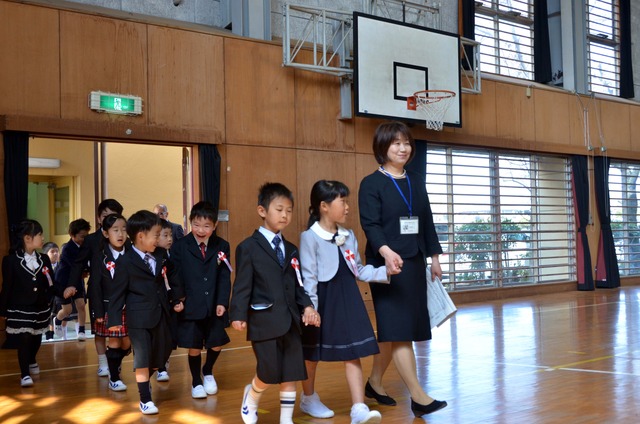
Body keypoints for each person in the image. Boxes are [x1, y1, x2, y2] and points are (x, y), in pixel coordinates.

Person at [358, 121, 447, 417]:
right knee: (401, 330)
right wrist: (385, 252)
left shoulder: (416, 179)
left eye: (406, 142)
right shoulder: (371, 183)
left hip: (413, 261)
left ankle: (374, 382)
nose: (402, 148)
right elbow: (370, 224)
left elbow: (427, 221)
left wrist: (434, 257)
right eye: (395, 143)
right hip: (386, 266)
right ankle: (419, 397)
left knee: (393, 330)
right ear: (382, 147)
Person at [230, 182, 320, 424]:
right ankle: (252, 398)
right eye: (279, 209)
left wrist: (308, 306)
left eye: (289, 210)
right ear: (262, 211)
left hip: (290, 320)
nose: (285, 215)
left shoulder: (291, 249)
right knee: (268, 372)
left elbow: (298, 284)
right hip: (263, 320)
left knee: (291, 370)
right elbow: (242, 284)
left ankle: (286, 419)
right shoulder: (247, 248)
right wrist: (237, 314)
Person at [299, 180, 387, 424]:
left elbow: (358, 270)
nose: (348, 207)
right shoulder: (309, 237)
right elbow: (309, 277)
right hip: (323, 300)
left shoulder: (348, 236)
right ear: (324, 206)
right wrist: (311, 309)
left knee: (353, 351)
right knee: (311, 355)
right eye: (343, 201)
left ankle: (358, 408)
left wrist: (385, 272)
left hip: (348, 298)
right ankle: (308, 398)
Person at [107, 210, 183, 415]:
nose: (159, 239)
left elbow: (171, 277)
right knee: (142, 358)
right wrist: (113, 319)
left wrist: (177, 298)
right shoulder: (125, 261)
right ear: (141, 236)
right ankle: (145, 399)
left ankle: (145, 383)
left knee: (161, 354)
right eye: (156, 235)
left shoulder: (160, 255)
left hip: (160, 314)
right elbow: (117, 293)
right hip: (138, 318)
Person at [170, 201, 231, 399]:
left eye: (206, 226)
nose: (201, 230)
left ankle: (208, 370)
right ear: (190, 223)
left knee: (216, 343)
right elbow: (175, 276)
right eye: (196, 225)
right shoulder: (180, 246)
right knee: (194, 346)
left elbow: (224, 277)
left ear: (214, 226)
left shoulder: (222, 246)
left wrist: (222, 301)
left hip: (214, 304)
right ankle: (196, 381)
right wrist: (179, 299)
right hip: (191, 304)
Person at [64, 199, 124, 376]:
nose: (109, 219)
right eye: (106, 215)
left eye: (114, 216)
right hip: (98, 290)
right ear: (99, 218)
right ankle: (103, 363)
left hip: (120, 292)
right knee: (100, 329)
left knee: (122, 333)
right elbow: (78, 264)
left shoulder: (125, 239)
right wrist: (72, 285)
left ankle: (115, 360)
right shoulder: (91, 240)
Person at [0, 219, 56, 386]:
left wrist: (65, 291)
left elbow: (51, 283)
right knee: (24, 338)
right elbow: (7, 287)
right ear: (27, 238)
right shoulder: (10, 261)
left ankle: (32, 359)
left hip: (40, 307)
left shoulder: (44, 259)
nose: (43, 237)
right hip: (19, 307)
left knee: (37, 336)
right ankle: (24, 374)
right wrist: (2, 310)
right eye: (39, 234)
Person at [88, 213, 131, 392]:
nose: (120, 234)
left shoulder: (133, 253)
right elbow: (95, 287)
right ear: (106, 233)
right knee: (114, 342)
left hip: (129, 307)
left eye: (123, 229)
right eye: (115, 230)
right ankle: (114, 377)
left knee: (127, 344)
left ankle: (115, 362)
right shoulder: (99, 257)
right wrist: (98, 312)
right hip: (108, 307)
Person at [54, 218, 91, 341]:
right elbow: (74, 265)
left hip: (76, 280)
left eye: (86, 236)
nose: (84, 239)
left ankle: (81, 331)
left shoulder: (85, 246)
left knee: (81, 305)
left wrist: (86, 271)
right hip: (64, 281)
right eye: (81, 236)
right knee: (67, 310)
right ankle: (57, 320)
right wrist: (84, 271)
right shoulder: (67, 248)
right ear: (72, 235)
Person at [154, 218, 175, 382]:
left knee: (170, 336)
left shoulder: (171, 255)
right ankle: (160, 367)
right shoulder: (152, 257)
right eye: (165, 235)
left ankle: (164, 362)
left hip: (169, 301)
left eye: (170, 235)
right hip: (156, 302)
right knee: (158, 336)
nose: (169, 239)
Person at [42, 242, 59, 341]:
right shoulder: (43, 266)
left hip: (58, 293)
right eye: (52, 252)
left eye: (57, 251)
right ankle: (49, 334)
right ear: (46, 254)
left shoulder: (61, 265)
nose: (56, 254)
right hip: (47, 294)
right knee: (48, 314)